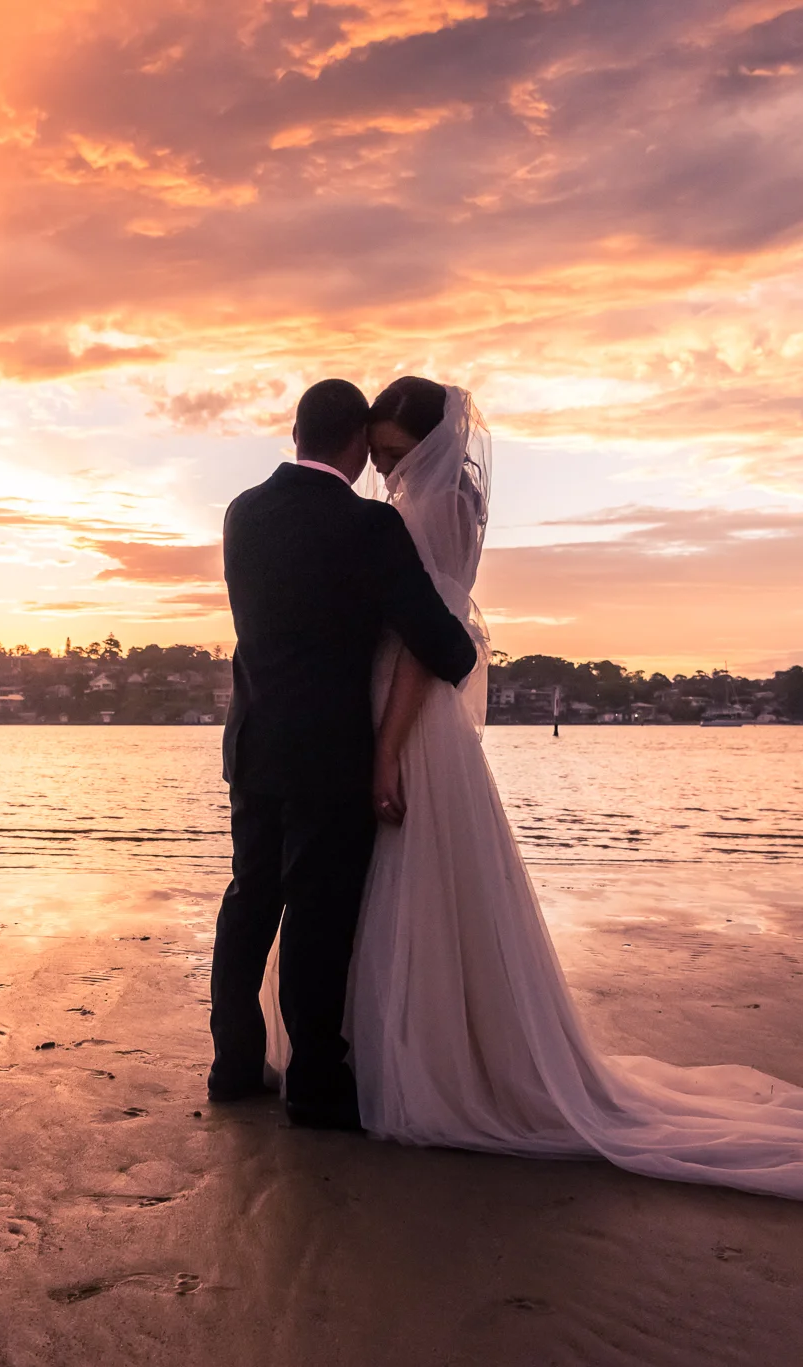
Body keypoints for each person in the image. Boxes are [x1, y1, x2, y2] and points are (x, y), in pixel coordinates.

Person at [339, 375, 803, 1206]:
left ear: (429, 445)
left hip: (411, 718)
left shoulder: (431, 508)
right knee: (422, 883)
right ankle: (416, 1043)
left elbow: (424, 642)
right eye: (376, 456)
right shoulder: (442, 502)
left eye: (392, 453)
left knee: (415, 876)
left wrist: (387, 746)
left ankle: (425, 1059)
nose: (382, 470)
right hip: (414, 714)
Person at [210, 378, 478, 1129]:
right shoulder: (366, 525)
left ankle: (233, 1064)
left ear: (296, 433)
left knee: (249, 901)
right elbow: (435, 636)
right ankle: (315, 1081)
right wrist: (460, 648)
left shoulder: (242, 511)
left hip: (253, 741)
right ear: (359, 443)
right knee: (318, 917)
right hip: (328, 754)